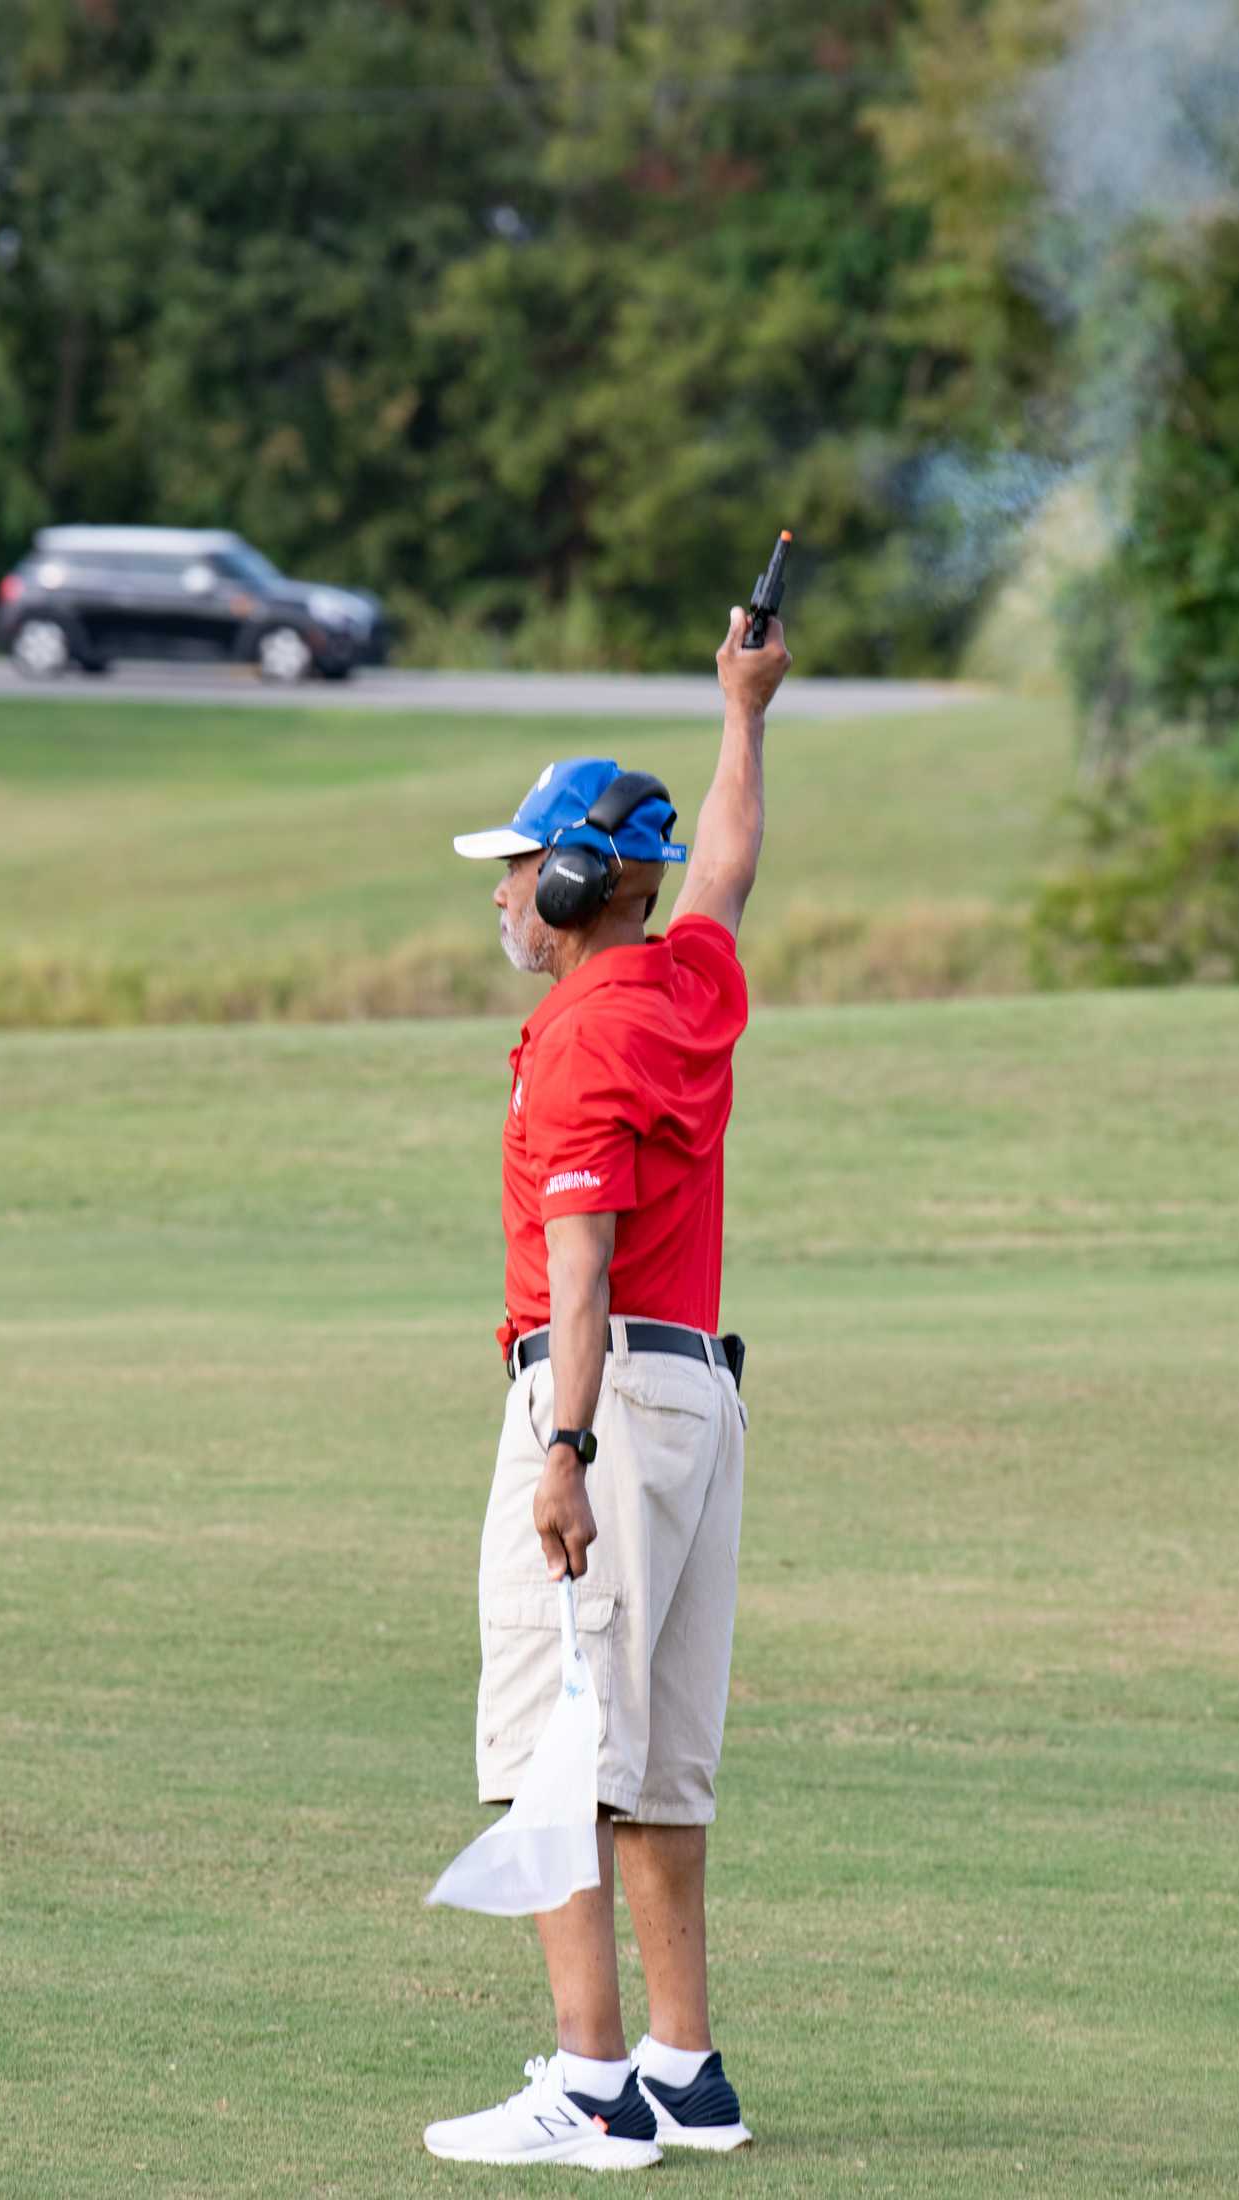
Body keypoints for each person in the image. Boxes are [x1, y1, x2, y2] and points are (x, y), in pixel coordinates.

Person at [424, 604, 790, 2173]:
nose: (505, 890)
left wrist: (560, 1449)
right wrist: (744, 712)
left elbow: (578, 1269)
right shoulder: (682, 987)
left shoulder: (579, 1036)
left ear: (576, 883)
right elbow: (721, 871)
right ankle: (682, 2069)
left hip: (608, 1402)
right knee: (652, 1764)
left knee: (553, 1750)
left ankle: (590, 2088)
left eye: (522, 865)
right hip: (696, 1402)